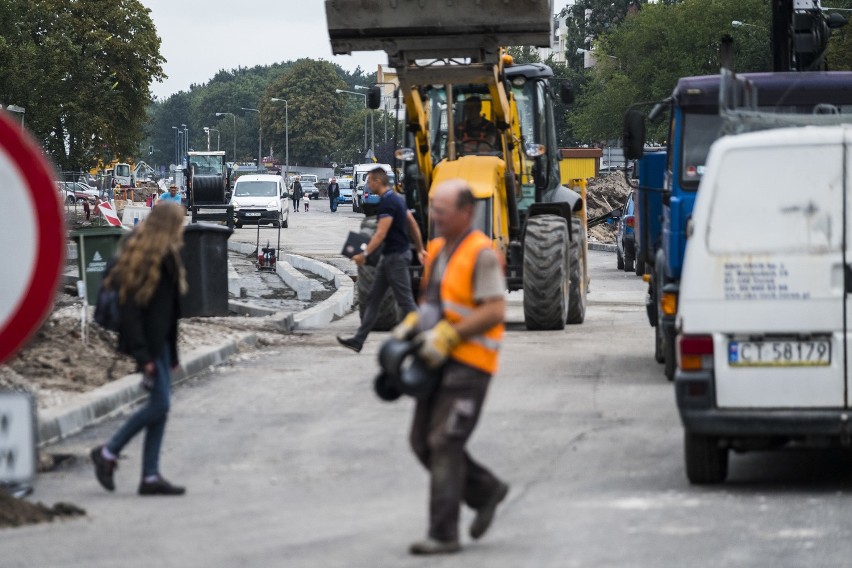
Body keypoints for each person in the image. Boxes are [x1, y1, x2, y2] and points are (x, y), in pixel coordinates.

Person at [395, 178, 508, 555]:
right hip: (435, 361)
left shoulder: (482, 253)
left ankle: (444, 533)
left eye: (442, 212)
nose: (435, 218)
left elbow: (494, 309)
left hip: (470, 363)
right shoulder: (438, 249)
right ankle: (486, 489)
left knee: (444, 441)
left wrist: (449, 336)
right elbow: (432, 302)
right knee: (420, 441)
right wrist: (413, 325)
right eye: (433, 210)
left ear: (466, 212)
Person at [90, 202, 188, 496]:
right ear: (168, 225)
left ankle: (149, 476)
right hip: (149, 347)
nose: (183, 227)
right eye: (179, 222)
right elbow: (131, 312)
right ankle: (108, 452)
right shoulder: (146, 258)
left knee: (161, 410)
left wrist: (173, 355)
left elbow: (169, 314)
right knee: (160, 405)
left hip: (162, 347)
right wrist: (144, 355)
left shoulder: (168, 255)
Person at [337, 167, 426, 352]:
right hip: (390, 258)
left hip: (396, 258)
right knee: (374, 299)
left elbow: (380, 234)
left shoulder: (387, 204)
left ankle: (429, 337)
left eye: (370, 181)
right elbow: (413, 225)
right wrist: (419, 249)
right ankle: (358, 340)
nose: (368, 185)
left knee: (406, 302)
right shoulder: (398, 200)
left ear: (378, 181)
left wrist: (365, 255)